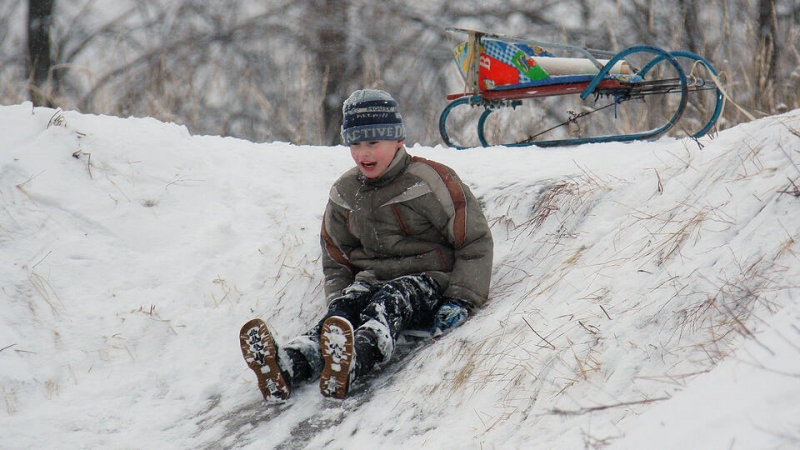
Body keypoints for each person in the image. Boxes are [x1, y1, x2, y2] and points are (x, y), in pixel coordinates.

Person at [239, 89, 493, 400]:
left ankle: (354, 359)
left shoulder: (428, 181)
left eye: (373, 143)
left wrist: (463, 298)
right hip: (370, 279)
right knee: (346, 310)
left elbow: (473, 239)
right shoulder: (346, 192)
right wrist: (338, 303)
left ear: (397, 140)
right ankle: (288, 365)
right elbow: (336, 256)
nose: (364, 153)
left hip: (427, 280)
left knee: (388, 302)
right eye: (356, 144)